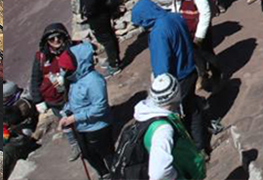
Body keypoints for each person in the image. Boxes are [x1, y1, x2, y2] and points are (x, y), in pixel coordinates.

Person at [131, 0, 205, 152]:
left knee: (179, 116)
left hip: (177, 79)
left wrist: (159, 87)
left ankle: (194, 148)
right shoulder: (175, 17)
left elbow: (162, 66)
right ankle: (200, 141)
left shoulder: (158, 33)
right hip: (190, 69)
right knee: (192, 108)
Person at [58, 42, 114, 178]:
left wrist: (75, 118)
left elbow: (100, 108)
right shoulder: (75, 79)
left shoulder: (94, 81)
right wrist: (67, 112)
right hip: (82, 127)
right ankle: (104, 174)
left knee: (108, 155)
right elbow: (73, 100)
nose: (64, 71)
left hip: (98, 128)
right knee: (88, 154)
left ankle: (117, 174)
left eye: (66, 68)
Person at [164, 0, 222, 93]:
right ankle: (203, 75)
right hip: (187, 30)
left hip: (200, 30)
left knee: (207, 53)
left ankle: (217, 76)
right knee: (195, 55)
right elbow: (175, 8)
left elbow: (205, 13)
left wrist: (199, 36)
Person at [29, 23, 80, 160]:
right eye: (52, 39)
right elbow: (35, 79)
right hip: (54, 100)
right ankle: (74, 144)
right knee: (65, 122)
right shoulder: (41, 57)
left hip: (74, 94)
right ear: (47, 41)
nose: (56, 41)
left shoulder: (73, 51)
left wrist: (67, 78)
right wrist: (38, 100)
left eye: (59, 37)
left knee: (79, 118)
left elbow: (83, 68)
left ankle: (86, 142)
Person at [127, 74, 188, 180]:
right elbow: (159, 173)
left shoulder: (146, 113)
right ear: (176, 95)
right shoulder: (163, 129)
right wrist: (177, 175)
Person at [80, 0, 123, 76]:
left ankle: (114, 64)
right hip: (103, 10)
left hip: (98, 14)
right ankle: (114, 59)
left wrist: (88, 13)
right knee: (109, 36)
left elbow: (91, 1)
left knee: (106, 38)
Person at [4, 81, 41, 180]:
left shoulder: (23, 106)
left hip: (22, 136)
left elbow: (12, 120)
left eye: (4, 99)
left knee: (6, 153)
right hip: (13, 132)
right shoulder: (16, 103)